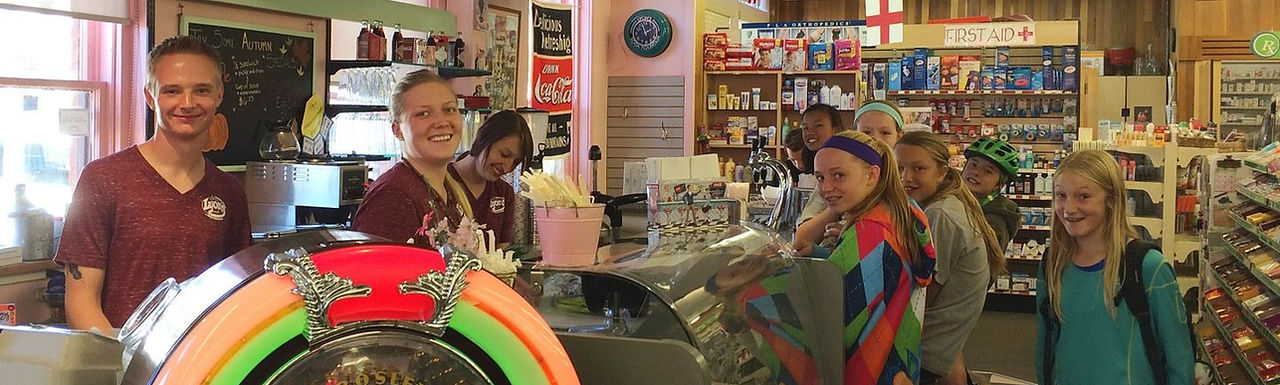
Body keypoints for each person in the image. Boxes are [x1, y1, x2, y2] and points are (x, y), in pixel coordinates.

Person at [56, 36, 251, 334]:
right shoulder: (103, 179)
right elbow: (81, 302)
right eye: (172, 91)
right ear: (150, 97)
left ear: (219, 95)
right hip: (121, 371)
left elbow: (236, 295)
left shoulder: (229, 192)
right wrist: (124, 366)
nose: (187, 103)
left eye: (201, 90)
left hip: (202, 368)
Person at [1035, 149, 1193, 384]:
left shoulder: (1147, 267)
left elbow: (1179, 359)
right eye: (1061, 195)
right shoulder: (1053, 264)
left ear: (1111, 200)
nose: (1068, 208)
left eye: (1083, 196)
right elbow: (1045, 347)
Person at [813, 130, 936, 385]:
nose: (826, 188)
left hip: (866, 368)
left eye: (838, 175)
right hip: (897, 360)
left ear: (872, 175)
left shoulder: (868, 232)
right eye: (820, 177)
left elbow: (834, 321)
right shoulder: (901, 212)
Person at [895, 132, 1006, 385]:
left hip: (924, 346)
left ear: (942, 172)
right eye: (899, 167)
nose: (905, 177)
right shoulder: (943, 203)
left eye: (918, 168)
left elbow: (926, 294)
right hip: (939, 342)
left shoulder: (940, 215)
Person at [352, 69, 473, 242]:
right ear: (398, 130)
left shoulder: (449, 188)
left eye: (449, 109)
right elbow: (370, 267)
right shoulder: (393, 196)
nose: (441, 122)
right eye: (423, 113)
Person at [794, 101, 904, 256]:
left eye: (885, 133)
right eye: (866, 132)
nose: (875, 139)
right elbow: (801, 240)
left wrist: (854, 234)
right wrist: (837, 204)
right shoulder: (830, 185)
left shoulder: (906, 186)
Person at [447, 110, 533, 248]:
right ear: (483, 139)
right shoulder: (442, 184)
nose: (507, 168)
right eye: (504, 155)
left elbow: (500, 254)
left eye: (515, 162)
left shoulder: (504, 192)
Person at [961, 137, 1022, 249]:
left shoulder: (996, 221)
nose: (976, 172)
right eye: (973, 164)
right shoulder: (955, 200)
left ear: (999, 185)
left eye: (987, 171)